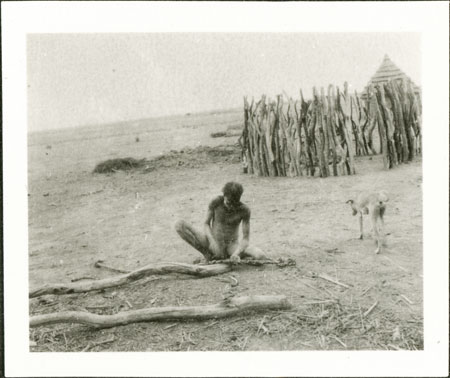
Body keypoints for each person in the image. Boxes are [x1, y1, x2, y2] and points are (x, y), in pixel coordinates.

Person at [175, 181, 266, 264]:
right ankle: (207, 254)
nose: (230, 207)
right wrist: (211, 241)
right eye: (228, 202)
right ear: (224, 196)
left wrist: (236, 253)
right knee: (179, 225)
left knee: (260, 255)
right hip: (212, 241)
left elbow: (246, 239)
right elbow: (206, 224)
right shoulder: (216, 202)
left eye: (233, 204)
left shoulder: (244, 210)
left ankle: (227, 257)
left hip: (231, 245)